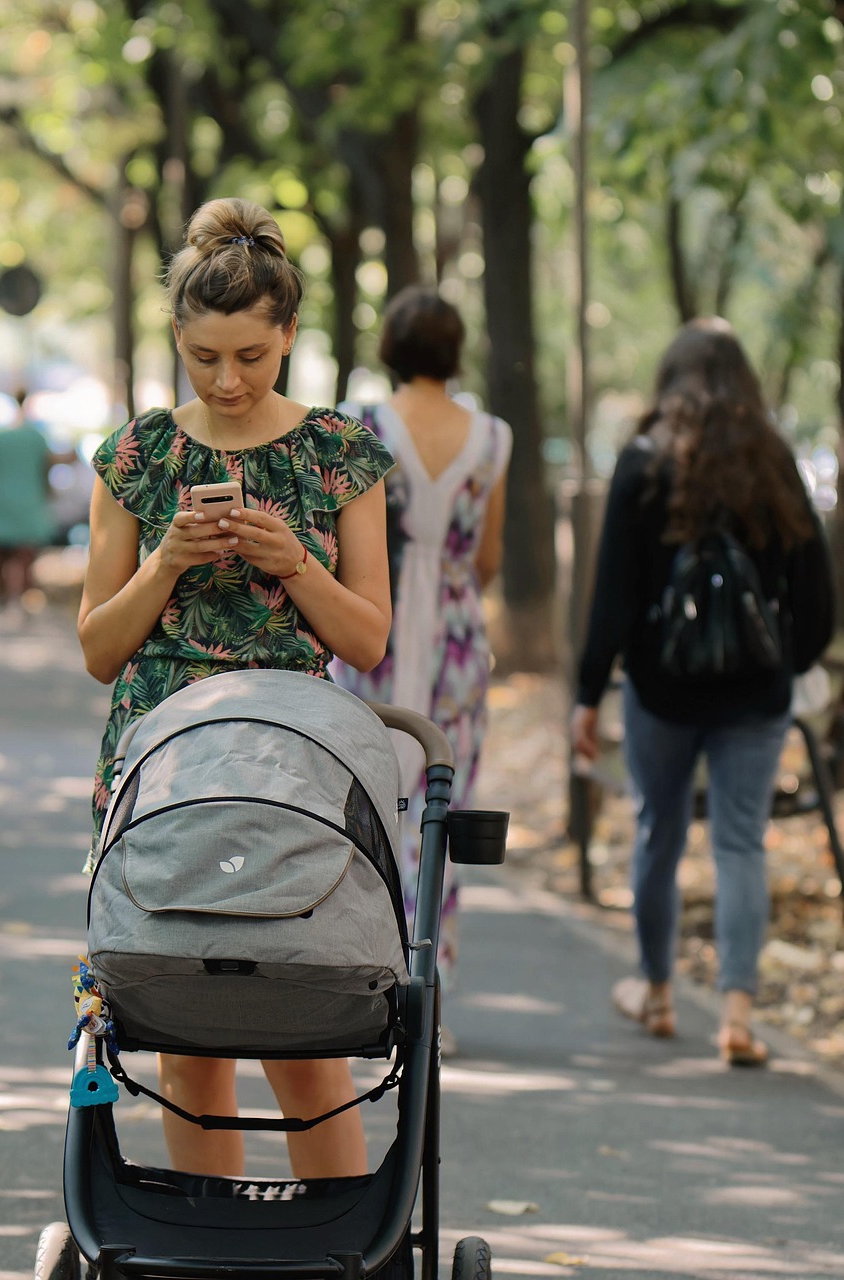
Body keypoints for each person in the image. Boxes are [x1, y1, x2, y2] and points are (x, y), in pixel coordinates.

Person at [77, 197, 393, 1180]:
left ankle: (341, 1238)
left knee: (303, 1032)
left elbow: (371, 639)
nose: (227, 379)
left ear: (290, 335)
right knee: (188, 1032)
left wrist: (296, 563)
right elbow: (96, 646)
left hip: (291, 760)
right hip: (164, 765)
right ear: (177, 336)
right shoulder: (138, 455)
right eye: (204, 355)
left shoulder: (338, 449)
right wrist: (164, 563)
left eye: (252, 356)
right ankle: (204, 1232)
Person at [570, 318, 833, 1068]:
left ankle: (656, 992)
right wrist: (792, 661)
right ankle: (739, 1014)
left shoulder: (646, 462)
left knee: (659, 830)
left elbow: (612, 596)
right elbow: (817, 588)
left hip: (662, 686)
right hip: (756, 692)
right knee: (742, 841)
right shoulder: (775, 465)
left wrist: (590, 692)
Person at [331, 286, 509, 998]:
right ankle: (429, 984)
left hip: (373, 630)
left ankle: (359, 970)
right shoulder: (493, 437)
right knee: (442, 805)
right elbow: (488, 558)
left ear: (390, 350)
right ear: (455, 352)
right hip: (457, 644)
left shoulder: (357, 424)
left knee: (367, 802)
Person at [0, 393, 72, 613]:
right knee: (26, 556)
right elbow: (49, 466)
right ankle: (24, 597)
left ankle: (1, 597)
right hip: (29, 503)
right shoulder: (36, 438)